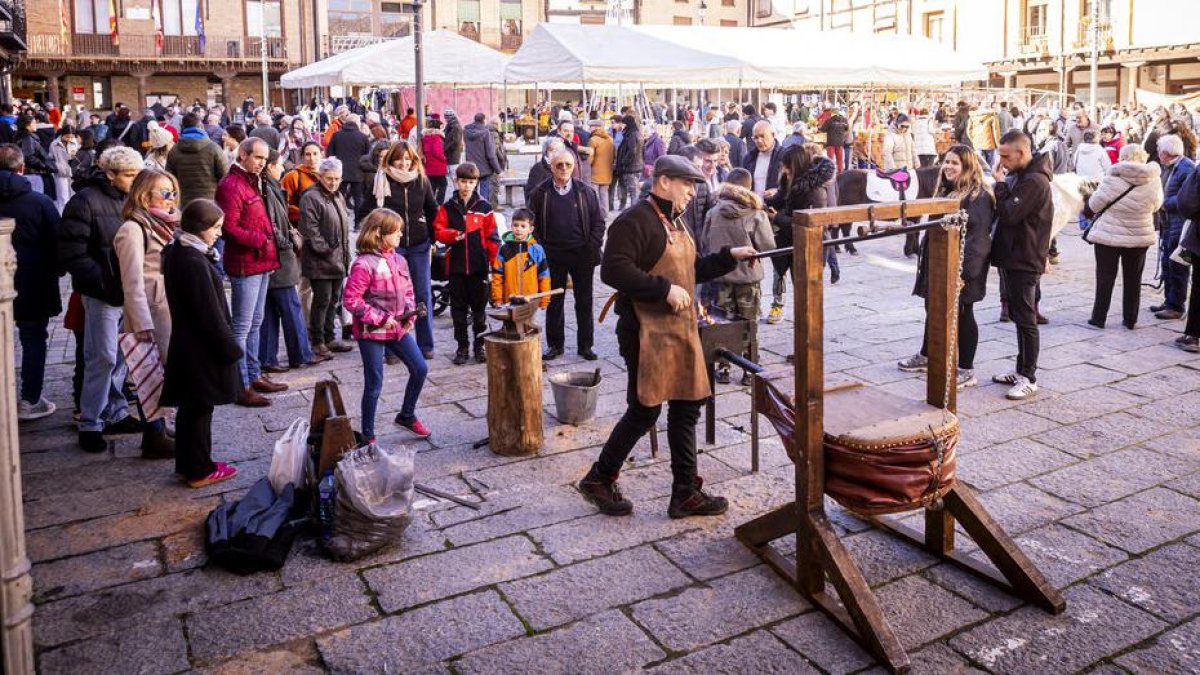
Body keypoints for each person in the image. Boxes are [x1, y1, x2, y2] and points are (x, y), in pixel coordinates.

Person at [577, 155, 756, 518]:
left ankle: (685, 492)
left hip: (678, 329)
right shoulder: (634, 220)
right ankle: (600, 478)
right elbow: (612, 270)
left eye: (693, 185)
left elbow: (691, 269)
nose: (692, 192)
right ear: (663, 182)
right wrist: (663, 290)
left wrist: (729, 256)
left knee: (688, 405)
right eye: (686, 184)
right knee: (645, 410)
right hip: (644, 331)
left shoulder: (676, 220)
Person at [58, 146, 144, 452]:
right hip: (102, 294)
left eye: (137, 174)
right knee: (102, 357)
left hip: (128, 291)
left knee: (121, 357)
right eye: (129, 175)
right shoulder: (84, 201)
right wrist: (104, 283)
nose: (135, 180)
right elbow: (72, 252)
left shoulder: (132, 199)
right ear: (110, 174)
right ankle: (90, 422)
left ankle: (115, 411)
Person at [897, 145, 995, 388]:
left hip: (963, 267)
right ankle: (927, 354)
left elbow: (977, 239)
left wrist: (963, 273)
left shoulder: (979, 196)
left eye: (955, 163)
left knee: (964, 313)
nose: (948, 167)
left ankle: (966, 369)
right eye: (947, 162)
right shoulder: (946, 190)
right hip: (939, 261)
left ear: (968, 167)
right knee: (933, 307)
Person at [161, 199, 241, 488]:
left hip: (189, 344)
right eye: (215, 227)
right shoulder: (192, 261)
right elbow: (209, 314)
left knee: (192, 407)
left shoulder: (181, 251)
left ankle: (189, 464)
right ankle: (199, 469)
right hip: (199, 349)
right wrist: (230, 349)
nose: (219, 233)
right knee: (199, 408)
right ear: (199, 227)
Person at [342, 208, 431, 443]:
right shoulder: (363, 264)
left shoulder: (399, 259)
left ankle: (406, 415)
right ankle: (368, 436)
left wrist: (410, 316)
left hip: (396, 328)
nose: (401, 234)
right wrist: (380, 318)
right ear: (379, 233)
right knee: (374, 383)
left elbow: (409, 291)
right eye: (396, 231)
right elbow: (351, 300)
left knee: (420, 368)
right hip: (371, 332)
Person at [113, 168, 182, 457]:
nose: (171, 199)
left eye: (173, 193)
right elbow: (132, 284)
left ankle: (159, 427)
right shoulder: (132, 229)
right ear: (144, 196)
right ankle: (154, 435)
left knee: (163, 371)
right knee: (149, 372)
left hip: (167, 307)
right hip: (150, 312)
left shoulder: (162, 224)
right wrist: (140, 325)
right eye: (165, 193)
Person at [215, 137, 288, 407]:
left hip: (262, 260)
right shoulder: (232, 185)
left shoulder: (252, 181)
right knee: (242, 326)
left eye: (264, 159)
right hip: (246, 262)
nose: (261, 163)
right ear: (243, 155)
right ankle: (241, 384)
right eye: (257, 157)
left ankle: (254, 374)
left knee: (256, 321)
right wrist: (260, 240)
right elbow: (228, 227)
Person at [990, 130, 1054, 400]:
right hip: (1013, 255)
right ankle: (1020, 369)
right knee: (1018, 315)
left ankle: (1029, 377)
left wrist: (999, 184)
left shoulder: (1035, 181)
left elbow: (1009, 213)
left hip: (1025, 258)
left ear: (1023, 152)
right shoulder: (1022, 175)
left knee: (1026, 318)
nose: (1002, 162)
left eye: (1006, 156)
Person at [1, 144, 62, 420]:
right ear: (21, 167)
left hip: (20, 279)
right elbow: (59, 242)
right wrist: (57, 270)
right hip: (34, 281)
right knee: (33, 339)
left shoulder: (39, 202)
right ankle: (30, 399)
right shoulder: (40, 202)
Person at [526, 150, 605, 362]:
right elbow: (531, 224)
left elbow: (599, 222)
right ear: (551, 167)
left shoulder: (586, 191)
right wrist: (541, 248)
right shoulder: (540, 192)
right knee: (554, 302)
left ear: (574, 167)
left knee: (584, 301)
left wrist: (591, 246)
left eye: (568, 165)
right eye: (559, 164)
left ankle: (585, 346)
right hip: (552, 254)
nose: (563, 168)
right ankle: (555, 345)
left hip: (582, 253)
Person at [703, 167, 774, 386]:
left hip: (719, 277)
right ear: (749, 187)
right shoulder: (756, 214)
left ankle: (723, 368)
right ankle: (749, 370)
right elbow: (767, 246)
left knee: (723, 323)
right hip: (748, 279)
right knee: (749, 324)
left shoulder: (713, 212)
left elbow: (705, 242)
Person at [371, 140, 440, 358]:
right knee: (393, 295)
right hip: (392, 247)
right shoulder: (382, 180)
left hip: (419, 243)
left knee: (422, 294)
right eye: (399, 159)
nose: (404, 163)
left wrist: (434, 238)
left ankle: (425, 345)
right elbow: (370, 212)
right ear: (391, 160)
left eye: (408, 159)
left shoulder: (421, 180)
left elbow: (432, 209)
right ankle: (394, 347)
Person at [1083, 145, 1163, 330]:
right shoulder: (1154, 179)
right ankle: (1130, 319)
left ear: (1123, 157)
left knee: (1105, 277)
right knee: (1134, 279)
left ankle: (1099, 318)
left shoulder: (1112, 177)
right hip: (1139, 235)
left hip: (1108, 235)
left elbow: (1094, 205)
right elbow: (1157, 205)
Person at [259, 148, 322, 373]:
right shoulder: (268, 189)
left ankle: (268, 358)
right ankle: (300, 354)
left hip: (273, 258)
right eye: (279, 165)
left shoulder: (269, 187)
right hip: (278, 257)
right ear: (270, 167)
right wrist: (287, 243)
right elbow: (271, 224)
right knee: (290, 306)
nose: (281, 168)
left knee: (271, 309)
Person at [433, 162, 499, 365]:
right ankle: (462, 346)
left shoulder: (484, 207)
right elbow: (438, 231)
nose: (466, 186)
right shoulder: (447, 207)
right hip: (456, 267)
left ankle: (479, 346)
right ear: (456, 182)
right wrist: (453, 235)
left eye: (471, 182)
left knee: (479, 310)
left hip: (479, 268)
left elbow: (492, 238)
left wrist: (494, 265)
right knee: (458, 311)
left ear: (476, 183)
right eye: (463, 181)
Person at [764, 145, 836, 324]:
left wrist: (777, 217)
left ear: (795, 165)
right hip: (788, 240)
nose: (784, 170)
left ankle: (808, 325)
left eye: (786, 166)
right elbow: (779, 200)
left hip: (808, 245)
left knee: (805, 288)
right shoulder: (789, 180)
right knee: (781, 274)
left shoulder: (814, 190)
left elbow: (810, 223)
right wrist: (763, 204)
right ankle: (781, 307)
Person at [299, 157, 354, 359]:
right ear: (320, 176)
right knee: (322, 301)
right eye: (329, 178)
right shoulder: (311, 197)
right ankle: (318, 341)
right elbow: (310, 231)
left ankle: (330, 337)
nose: (333, 182)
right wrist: (328, 251)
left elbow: (343, 230)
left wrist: (343, 255)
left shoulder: (337, 196)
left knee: (334, 300)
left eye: (337, 179)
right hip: (320, 261)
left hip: (338, 259)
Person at [1152, 133, 1194, 321]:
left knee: (1178, 265)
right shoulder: (1169, 166)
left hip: (1180, 225)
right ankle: (1169, 301)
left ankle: (1176, 306)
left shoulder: (1186, 168)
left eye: (1159, 150)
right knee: (1167, 263)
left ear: (1167, 153)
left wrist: (1164, 204)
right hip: (1168, 223)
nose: (1157, 154)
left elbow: (1187, 198)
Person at [491, 207, 551, 309]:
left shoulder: (537, 250)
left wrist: (545, 299)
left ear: (531, 229)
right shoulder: (504, 250)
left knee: (529, 320)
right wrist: (498, 299)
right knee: (510, 320)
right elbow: (497, 276)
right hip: (509, 301)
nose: (518, 229)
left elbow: (544, 275)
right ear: (511, 226)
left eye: (523, 226)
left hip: (531, 301)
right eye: (515, 225)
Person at [166, 113, 229, 207]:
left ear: (183, 127)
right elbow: (225, 176)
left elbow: (169, 178)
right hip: (210, 200)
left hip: (184, 201)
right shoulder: (214, 148)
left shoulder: (174, 151)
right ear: (200, 125)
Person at [325, 115, 371, 218]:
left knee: (338, 197)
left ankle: (339, 218)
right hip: (358, 172)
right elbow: (368, 155)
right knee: (358, 199)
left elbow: (329, 154)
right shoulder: (362, 137)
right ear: (357, 123)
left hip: (339, 173)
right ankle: (357, 222)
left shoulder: (336, 135)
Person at [463, 113, 502, 201]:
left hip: (471, 167)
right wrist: (498, 170)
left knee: (472, 193)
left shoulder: (466, 131)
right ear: (484, 120)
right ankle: (482, 208)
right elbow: (491, 154)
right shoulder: (486, 133)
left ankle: (472, 207)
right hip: (484, 169)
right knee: (484, 195)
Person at [281, 141, 321, 225]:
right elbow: (282, 203)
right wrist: (303, 214)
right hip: (300, 224)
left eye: (315, 154)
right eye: (308, 154)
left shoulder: (327, 175)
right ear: (302, 157)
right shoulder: (293, 176)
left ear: (321, 154)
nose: (312, 158)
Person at [743, 120, 783, 197]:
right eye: (755, 137)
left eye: (762, 136)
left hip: (776, 203)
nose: (759, 141)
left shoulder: (784, 155)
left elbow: (793, 183)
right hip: (753, 203)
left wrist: (778, 191)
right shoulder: (749, 157)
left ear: (773, 135)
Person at [587, 119, 615, 221]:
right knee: (604, 194)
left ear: (595, 127)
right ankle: (605, 214)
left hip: (595, 172)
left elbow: (590, 158)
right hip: (607, 172)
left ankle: (597, 215)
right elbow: (614, 155)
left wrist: (587, 167)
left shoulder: (593, 140)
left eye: (590, 127)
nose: (589, 129)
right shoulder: (610, 139)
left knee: (595, 195)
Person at [49, 126, 77, 212]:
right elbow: (51, 157)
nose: (69, 139)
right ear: (62, 135)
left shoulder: (75, 142)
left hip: (72, 172)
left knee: (72, 196)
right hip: (60, 172)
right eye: (67, 137)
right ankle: (61, 214)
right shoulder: (54, 144)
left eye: (71, 137)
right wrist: (56, 166)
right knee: (62, 197)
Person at [421, 118, 449, 203]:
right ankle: (439, 202)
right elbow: (437, 153)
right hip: (438, 166)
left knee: (432, 185)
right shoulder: (436, 138)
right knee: (443, 185)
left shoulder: (425, 137)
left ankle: (431, 202)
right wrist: (445, 159)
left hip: (429, 165)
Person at [819, 108, 850, 173]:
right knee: (840, 159)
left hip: (831, 142)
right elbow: (847, 128)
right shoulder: (844, 120)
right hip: (840, 142)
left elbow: (823, 129)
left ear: (832, 113)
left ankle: (830, 172)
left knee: (830, 159)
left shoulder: (829, 120)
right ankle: (840, 171)